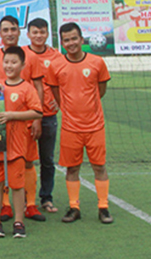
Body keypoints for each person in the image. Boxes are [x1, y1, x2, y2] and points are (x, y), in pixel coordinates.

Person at [45, 22, 113, 224]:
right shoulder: (56, 65)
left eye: (74, 38)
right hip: (70, 128)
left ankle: (103, 207)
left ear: (81, 39)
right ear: (62, 43)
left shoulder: (97, 62)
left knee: (99, 166)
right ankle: (74, 207)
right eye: (66, 40)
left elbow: (101, 90)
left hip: (95, 126)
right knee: (72, 169)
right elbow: (57, 93)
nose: (71, 43)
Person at [0, 46, 43, 239]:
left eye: (13, 62)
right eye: (6, 62)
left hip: (17, 146)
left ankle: (19, 221)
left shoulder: (27, 88)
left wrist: (13, 116)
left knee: (17, 186)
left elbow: (37, 111)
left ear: (22, 65)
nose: (9, 66)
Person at [24, 18, 61, 214]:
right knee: (24, 159)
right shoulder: (22, 54)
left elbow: (64, 79)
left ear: (48, 34)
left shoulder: (56, 56)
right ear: (28, 34)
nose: (39, 36)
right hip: (26, 115)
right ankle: (25, 199)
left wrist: (60, 99)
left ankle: (46, 197)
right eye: (35, 32)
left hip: (48, 114)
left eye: (42, 32)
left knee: (47, 158)